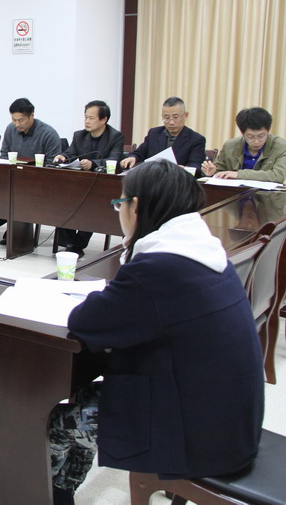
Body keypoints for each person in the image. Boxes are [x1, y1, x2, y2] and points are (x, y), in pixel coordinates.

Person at [50, 161, 264, 505]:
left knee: (53, 424)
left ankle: (52, 497)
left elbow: (85, 322)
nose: (119, 212)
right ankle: (61, 496)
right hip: (227, 421)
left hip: (195, 436)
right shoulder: (201, 250)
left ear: (136, 206)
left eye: (120, 204)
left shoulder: (160, 267)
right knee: (86, 396)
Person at [52, 100, 125, 256]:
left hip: (103, 188)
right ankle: (73, 243)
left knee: (90, 204)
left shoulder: (115, 137)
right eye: (85, 117)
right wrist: (62, 157)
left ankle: (75, 244)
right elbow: (70, 153)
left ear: (104, 119)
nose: (87, 121)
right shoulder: (79, 135)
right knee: (59, 199)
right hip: (79, 185)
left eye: (91, 118)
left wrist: (93, 164)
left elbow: (115, 160)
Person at [0, 98, 61, 241]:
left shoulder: (48, 133)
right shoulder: (10, 129)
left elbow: (52, 166)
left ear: (32, 116)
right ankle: (10, 226)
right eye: (14, 120)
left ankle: (16, 232)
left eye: (21, 120)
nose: (17, 124)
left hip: (39, 182)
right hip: (14, 178)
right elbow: (4, 155)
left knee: (21, 193)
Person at [120, 96, 206, 173]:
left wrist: (183, 169)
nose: (171, 122)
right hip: (153, 179)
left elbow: (196, 166)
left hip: (178, 181)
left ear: (185, 115)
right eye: (166, 118)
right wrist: (133, 158)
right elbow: (140, 153)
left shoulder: (196, 139)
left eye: (175, 117)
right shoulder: (154, 133)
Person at [202, 107, 286, 183]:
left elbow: (278, 175)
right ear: (242, 133)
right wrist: (212, 172)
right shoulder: (230, 146)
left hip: (266, 194)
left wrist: (239, 174)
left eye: (261, 136)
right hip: (234, 192)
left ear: (268, 130)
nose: (256, 141)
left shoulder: (281, 146)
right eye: (250, 136)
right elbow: (219, 170)